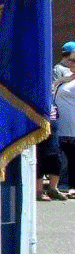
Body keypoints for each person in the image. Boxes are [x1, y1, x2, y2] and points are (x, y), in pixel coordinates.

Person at [51, 41, 75, 198]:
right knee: (63, 157)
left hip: (73, 124)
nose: (70, 63)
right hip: (61, 125)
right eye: (71, 60)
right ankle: (64, 185)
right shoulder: (63, 76)